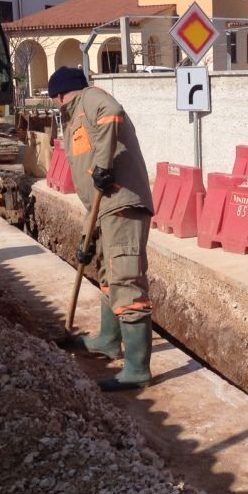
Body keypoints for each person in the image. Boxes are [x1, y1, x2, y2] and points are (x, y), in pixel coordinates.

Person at [47, 66, 155, 391]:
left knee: (126, 279)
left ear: (61, 93)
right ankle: (109, 340)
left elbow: (113, 112)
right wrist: (88, 234)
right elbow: (92, 187)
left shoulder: (91, 98)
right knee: (110, 275)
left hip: (122, 204)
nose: (54, 105)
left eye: (54, 99)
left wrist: (104, 167)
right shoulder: (74, 116)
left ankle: (137, 370)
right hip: (104, 209)